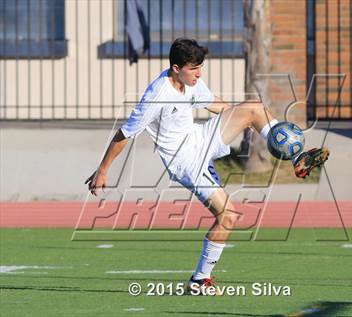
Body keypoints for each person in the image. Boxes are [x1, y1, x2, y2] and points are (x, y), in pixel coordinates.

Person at [85, 38, 329, 294]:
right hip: (186, 161)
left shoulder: (190, 82)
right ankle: (200, 280)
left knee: (254, 108)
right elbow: (125, 134)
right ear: (176, 68)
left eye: (201, 67)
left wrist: (240, 118)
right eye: (193, 68)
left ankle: (295, 157)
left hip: (200, 138)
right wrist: (103, 170)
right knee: (228, 216)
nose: (198, 74)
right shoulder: (157, 95)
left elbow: (217, 105)